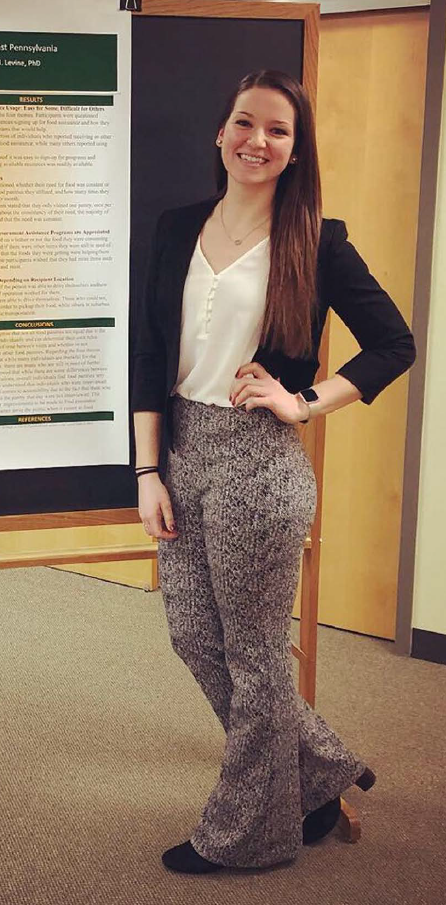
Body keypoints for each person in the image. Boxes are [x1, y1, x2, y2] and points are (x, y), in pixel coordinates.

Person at [130, 70, 416, 876]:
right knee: (194, 635)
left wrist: (304, 401)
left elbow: (393, 342)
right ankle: (316, 773)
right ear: (220, 134)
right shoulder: (176, 226)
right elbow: (150, 356)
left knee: (254, 654)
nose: (258, 140)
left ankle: (246, 834)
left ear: (296, 150)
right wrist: (149, 468)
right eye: (245, 123)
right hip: (182, 449)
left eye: (278, 131)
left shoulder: (316, 240)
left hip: (258, 463)